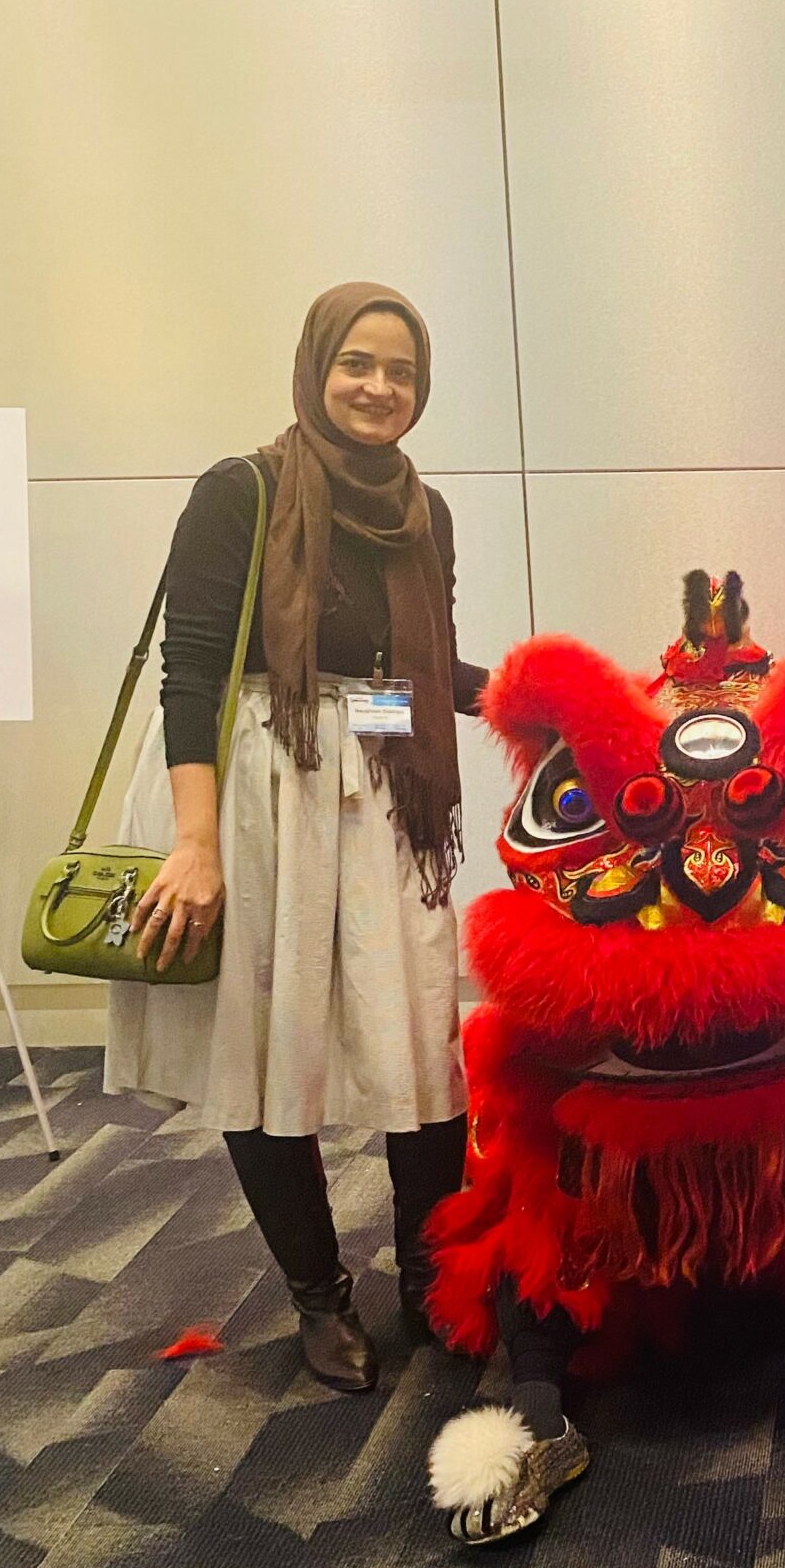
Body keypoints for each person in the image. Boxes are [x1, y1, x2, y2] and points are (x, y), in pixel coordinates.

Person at [104, 282, 488, 1391]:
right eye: (356, 363)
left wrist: (546, 695)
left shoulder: (423, 510)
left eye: (401, 372)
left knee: (421, 1035)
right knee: (266, 1044)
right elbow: (190, 670)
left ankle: (430, 1276)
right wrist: (195, 842)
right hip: (257, 785)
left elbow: (417, 670)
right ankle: (319, 1295)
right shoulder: (243, 489)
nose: (378, 387)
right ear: (316, 367)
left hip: (384, 776)